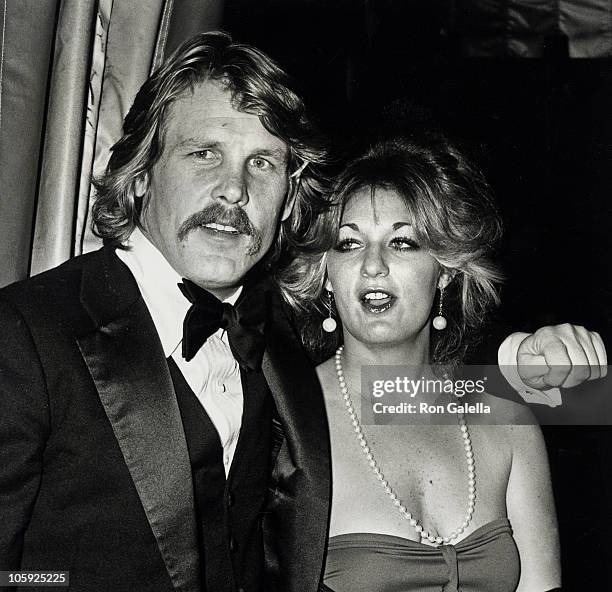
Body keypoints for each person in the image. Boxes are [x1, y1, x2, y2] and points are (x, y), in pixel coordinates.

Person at [0, 31, 603, 592]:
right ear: (138, 176)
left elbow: (427, 369)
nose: (234, 189)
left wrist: (520, 355)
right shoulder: (25, 333)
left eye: (262, 162)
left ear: (289, 196)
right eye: (205, 152)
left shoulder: (275, 341)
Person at [278, 133, 564, 591]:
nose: (373, 265)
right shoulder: (286, 422)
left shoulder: (507, 422)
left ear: (446, 269)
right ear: (325, 274)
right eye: (349, 244)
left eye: (404, 242)